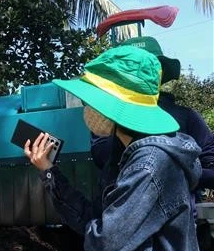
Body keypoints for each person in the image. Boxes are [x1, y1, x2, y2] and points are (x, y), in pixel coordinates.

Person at [24, 45, 202, 251]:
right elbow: (97, 217)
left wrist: (96, 233)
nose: (86, 109)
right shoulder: (126, 154)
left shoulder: (151, 164)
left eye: (92, 100)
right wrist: (50, 172)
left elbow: (105, 243)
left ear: (114, 106)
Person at [90, 36, 214, 191]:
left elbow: (211, 165)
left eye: (148, 70)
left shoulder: (187, 117)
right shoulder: (107, 119)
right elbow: (102, 157)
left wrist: (174, 173)